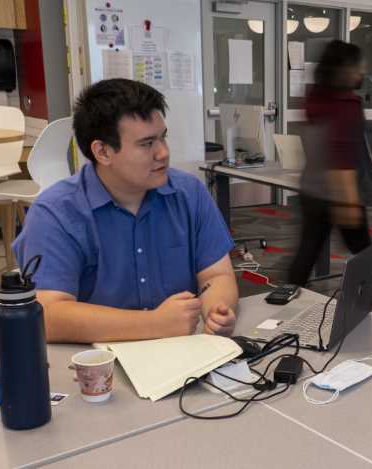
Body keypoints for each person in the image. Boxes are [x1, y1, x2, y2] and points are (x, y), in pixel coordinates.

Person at [13, 79, 238, 343]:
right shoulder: (55, 213)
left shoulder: (189, 193)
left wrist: (216, 311)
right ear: (103, 152)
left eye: (163, 137)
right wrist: (155, 324)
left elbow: (217, 275)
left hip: (184, 354)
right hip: (95, 367)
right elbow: (47, 315)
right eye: (147, 144)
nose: (163, 153)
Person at [287, 40, 372, 314]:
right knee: (363, 250)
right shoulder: (346, 104)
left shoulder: (316, 98)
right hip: (340, 192)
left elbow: (333, 143)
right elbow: (341, 155)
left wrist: (366, 158)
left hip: (313, 188)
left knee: (308, 250)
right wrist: (350, 203)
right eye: (358, 66)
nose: (362, 72)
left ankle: (285, 298)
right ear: (343, 70)